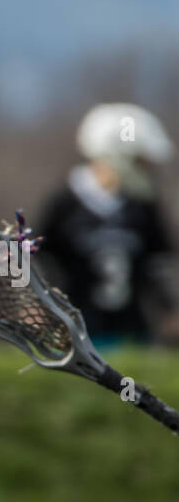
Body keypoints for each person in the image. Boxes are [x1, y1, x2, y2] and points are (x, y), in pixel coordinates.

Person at [36, 103, 177, 346]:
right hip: (78, 332)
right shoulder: (65, 203)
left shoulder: (142, 206)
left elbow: (158, 265)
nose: (146, 170)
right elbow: (41, 260)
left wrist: (170, 311)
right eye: (140, 160)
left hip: (132, 332)